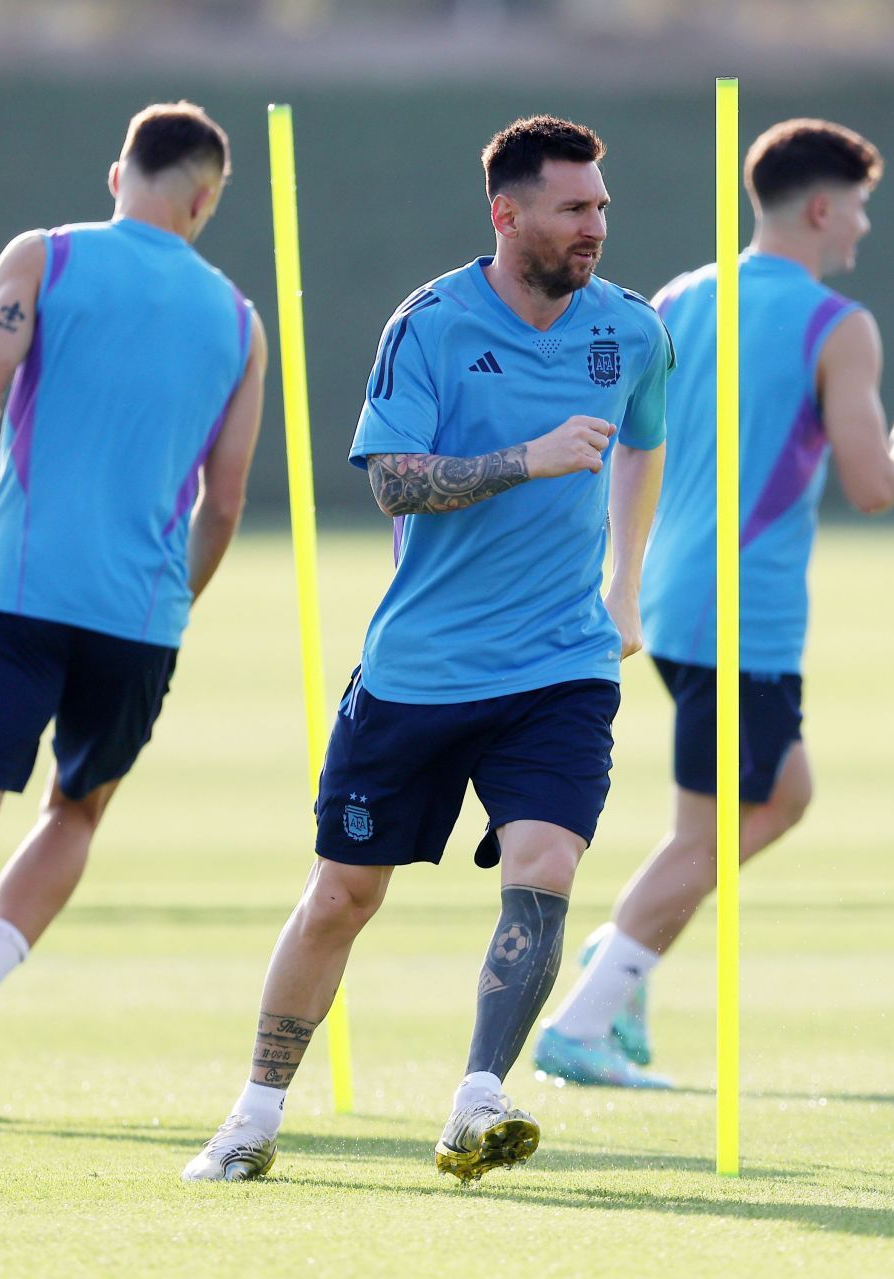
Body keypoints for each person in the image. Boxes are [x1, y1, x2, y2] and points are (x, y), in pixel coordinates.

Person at [181, 115, 671, 1182]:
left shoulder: (631, 332)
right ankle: (253, 1118)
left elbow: (644, 439)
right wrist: (526, 459)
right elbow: (394, 477)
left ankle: (478, 1098)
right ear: (508, 214)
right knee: (342, 898)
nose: (596, 225)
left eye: (602, 206)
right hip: (423, 670)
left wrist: (625, 581)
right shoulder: (432, 325)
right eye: (574, 207)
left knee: (546, 866)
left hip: (562, 665)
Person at [0, 101, 267, 1122]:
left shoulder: (44, 258)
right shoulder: (240, 322)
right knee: (75, 812)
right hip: (141, 622)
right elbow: (228, 499)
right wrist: (172, 604)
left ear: (119, 176)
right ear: (205, 199)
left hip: (23, 598)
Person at [535, 118, 894, 1087]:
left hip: (679, 600)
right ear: (819, 207)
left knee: (782, 793)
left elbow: (637, 447)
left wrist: (625, 581)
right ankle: (589, 1013)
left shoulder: (682, 296)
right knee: (713, 826)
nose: (863, 229)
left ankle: (621, 949)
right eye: (858, 208)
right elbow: (873, 485)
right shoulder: (838, 327)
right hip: (741, 614)